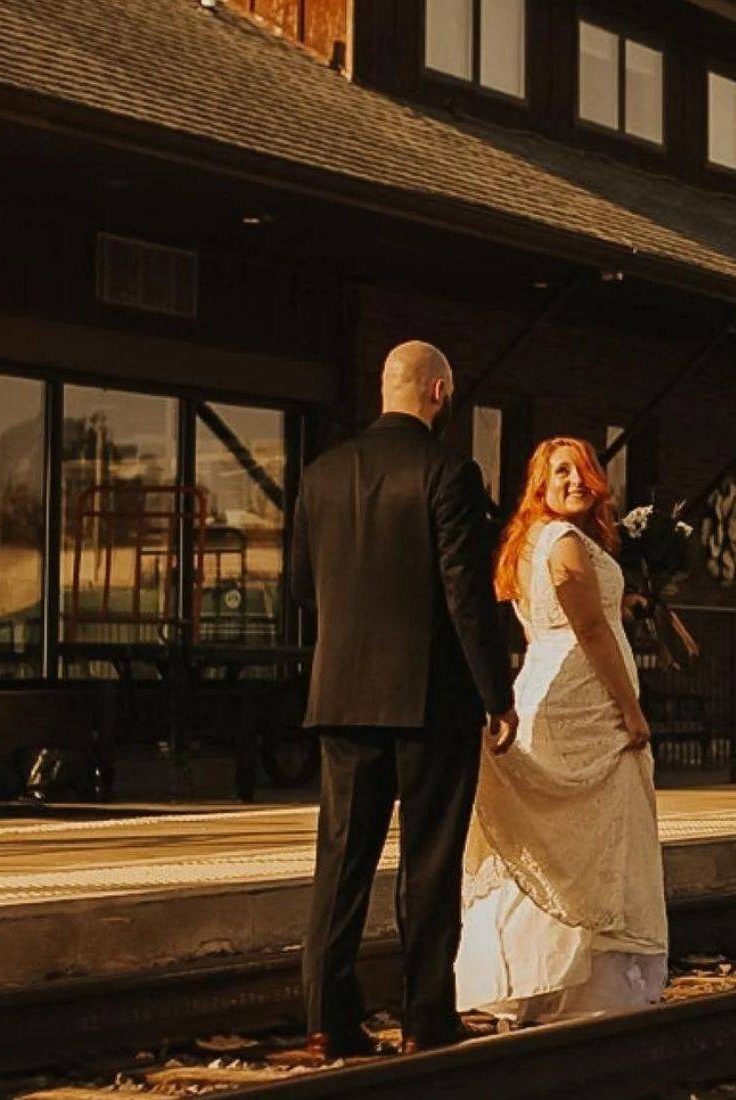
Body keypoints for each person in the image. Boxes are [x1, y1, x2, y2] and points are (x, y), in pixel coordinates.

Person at [289, 341, 516, 1059]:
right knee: (428, 862)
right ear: (440, 392)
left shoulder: (321, 475)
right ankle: (424, 1017)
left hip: (341, 697)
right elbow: (466, 598)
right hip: (430, 702)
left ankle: (328, 1017)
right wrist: (497, 695)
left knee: (342, 859)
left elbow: (299, 587)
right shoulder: (449, 472)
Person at [455, 438, 668, 1022]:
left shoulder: (534, 540)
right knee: (585, 841)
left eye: (583, 471)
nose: (575, 480)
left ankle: (534, 979)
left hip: (550, 688)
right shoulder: (567, 543)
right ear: (540, 486)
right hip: (583, 708)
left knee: (554, 843)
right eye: (561, 472)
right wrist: (630, 708)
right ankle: (570, 986)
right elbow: (592, 632)